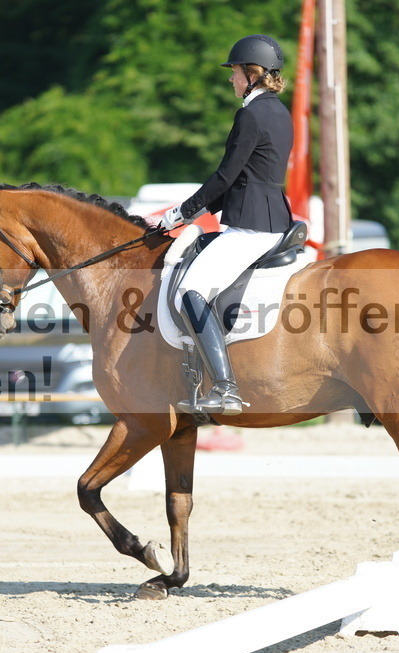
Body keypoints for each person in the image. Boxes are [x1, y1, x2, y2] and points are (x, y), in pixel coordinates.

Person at [160, 34, 294, 416]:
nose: (231, 80)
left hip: (251, 226)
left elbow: (224, 177)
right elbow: (241, 180)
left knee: (190, 290)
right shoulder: (277, 111)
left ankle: (224, 388)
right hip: (268, 217)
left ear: (252, 73)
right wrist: (195, 213)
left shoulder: (250, 114)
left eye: (235, 72)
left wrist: (180, 212)